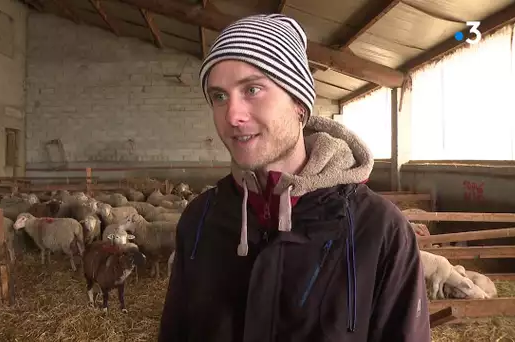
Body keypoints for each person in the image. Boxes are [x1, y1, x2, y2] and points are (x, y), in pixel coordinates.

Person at [158, 13, 430, 342]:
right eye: (219, 96)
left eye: (253, 89)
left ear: (300, 105)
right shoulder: (199, 221)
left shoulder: (379, 231)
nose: (232, 115)